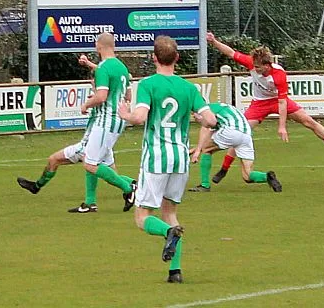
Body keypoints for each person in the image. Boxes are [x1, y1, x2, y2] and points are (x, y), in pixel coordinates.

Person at [118, 35, 217, 283]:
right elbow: (211, 120)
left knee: (142, 217)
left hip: (157, 158)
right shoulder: (189, 88)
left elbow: (140, 117)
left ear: (154, 58)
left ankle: (169, 233)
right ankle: (175, 271)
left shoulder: (148, 84)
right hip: (180, 159)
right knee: (170, 212)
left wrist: (125, 114)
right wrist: (199, 118)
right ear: (177, 58)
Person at [205, 32, 324, 185]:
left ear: (267, 65)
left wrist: (282, 126)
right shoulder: (252, 63)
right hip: (259, 104)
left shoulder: (279, 74)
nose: (254, 68)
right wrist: (214, 41)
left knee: (308, 121)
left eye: (258, 67)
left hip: (277, 101)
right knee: (241, 132)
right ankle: (224, 169)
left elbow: (282, 102)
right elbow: (231, 53)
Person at [17, 33, 136, 213]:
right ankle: (93, 201)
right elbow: (128, 95)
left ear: (98, 45)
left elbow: (101, 96)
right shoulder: (121, 68)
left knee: (90, 163)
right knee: (96, 163)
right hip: (116, 122)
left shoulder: (104, 68)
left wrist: (86, 104)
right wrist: (90, 65)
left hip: (105, 122)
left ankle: (129, 189)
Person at [189, 102, 281, 192]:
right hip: (246, 135)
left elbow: (206, 132)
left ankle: (204, 185)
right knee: (247, 176)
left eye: (193, 114)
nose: (193, 116)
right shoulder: (219, 107)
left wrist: (197, 151)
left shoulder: (207, 111)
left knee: (206, 150)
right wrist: (195, 150)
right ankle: (267, 176)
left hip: (231, 131)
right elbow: (209, 139)